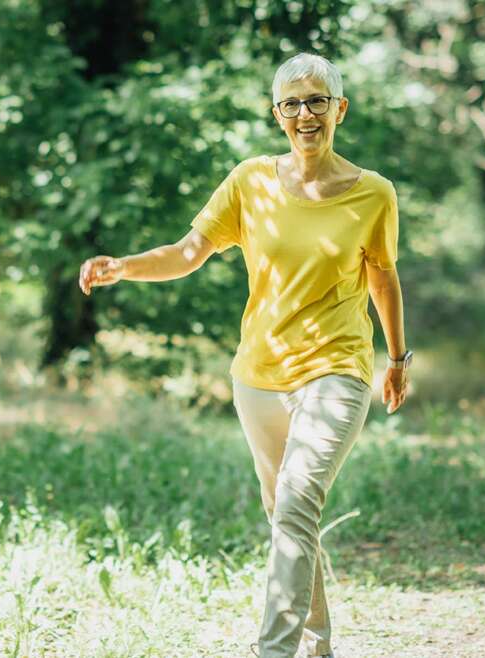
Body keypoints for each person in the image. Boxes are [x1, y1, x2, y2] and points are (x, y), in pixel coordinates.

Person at [78, 52, 410, 658]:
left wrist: (397, 358)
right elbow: (187, 253)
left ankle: (273, 651)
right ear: (276, 113)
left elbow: (382, 277)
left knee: (297, 500)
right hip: (258, 374)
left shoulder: (373, 194)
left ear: (340, 109)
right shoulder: (250, 180)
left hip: (337, 368)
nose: (304, 114)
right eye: (291, 103)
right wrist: (123, 267)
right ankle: (316, 646)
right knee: (286, 514)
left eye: (316, 101)